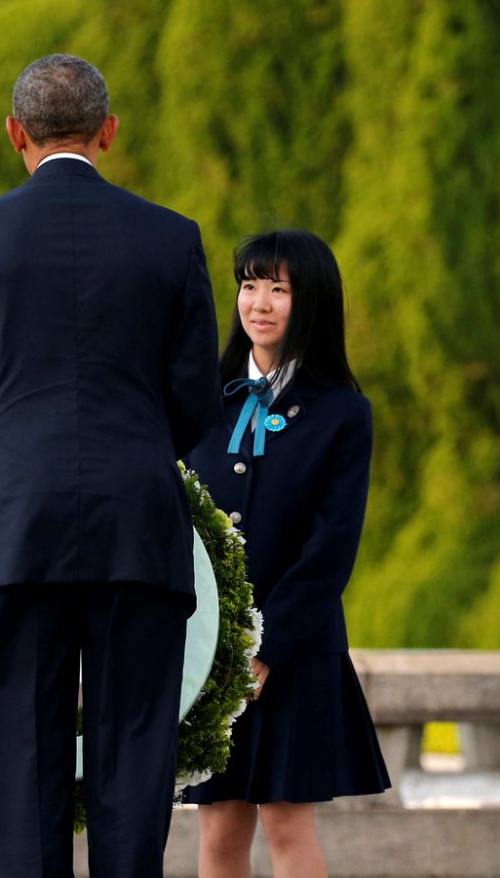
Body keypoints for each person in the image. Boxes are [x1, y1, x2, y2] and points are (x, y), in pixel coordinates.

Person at [0, 54, 221, 876]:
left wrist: (22, 459)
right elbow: (195, 399)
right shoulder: (172, 238)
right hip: (138, 524)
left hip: (18, 526)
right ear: (110, 132)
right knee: (135, 761)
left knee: (22, 765)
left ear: (16, 133)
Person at [183, 230, 391, 877]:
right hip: (211, 650)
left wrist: (266, 649)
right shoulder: (200, 404)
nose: (260, 303)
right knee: (218, 826)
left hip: (296, 650)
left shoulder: (342, 413)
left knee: (286, 821)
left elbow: (330, 550)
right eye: (250, 285)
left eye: (280, 288)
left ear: (312, 302)